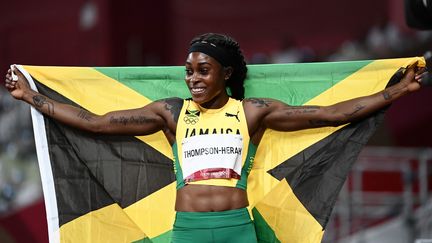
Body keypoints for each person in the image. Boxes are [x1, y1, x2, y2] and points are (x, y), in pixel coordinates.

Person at [4, 33, 427, 243]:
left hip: (236, 228)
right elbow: (95, 122)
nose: (193, 79)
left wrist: (396, 90)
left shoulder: (252, 111)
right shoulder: (170, 112)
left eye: (203, 70)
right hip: (186, 228)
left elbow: (330, 113)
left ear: (226, 73)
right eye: (188, 71)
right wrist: (32, 98)